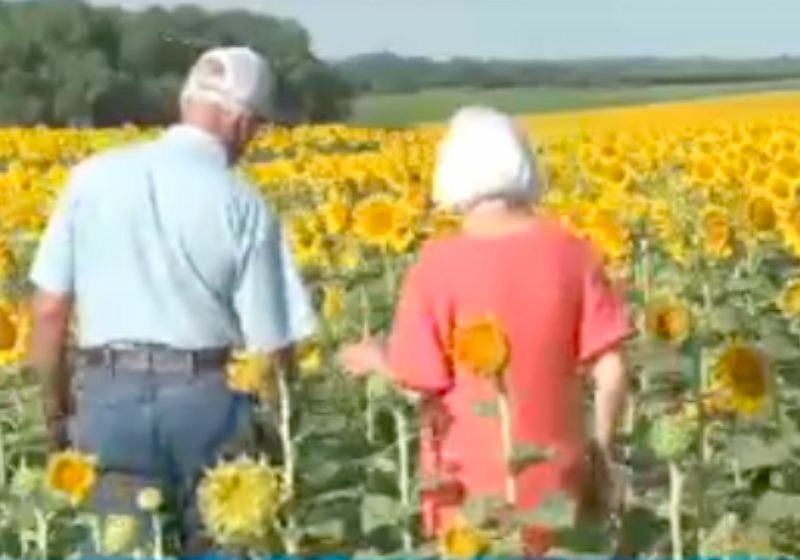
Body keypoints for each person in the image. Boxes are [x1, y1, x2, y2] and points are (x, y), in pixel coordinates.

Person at [26, 46, 316, 553]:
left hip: (108, 394)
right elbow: (270, 347)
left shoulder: (91, 178)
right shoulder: (242, 201)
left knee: (120, 544)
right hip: (207, 400)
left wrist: (57, 412)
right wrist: (280, 429)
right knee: (224, 532)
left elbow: (49, 312)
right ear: (243, 123)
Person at [340, 106, 632, 555]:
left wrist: (376, 357)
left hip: (468, 489)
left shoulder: (438, 265)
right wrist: (601, 449)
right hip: (559, 479)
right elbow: (611, 366)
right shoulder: (572, 250)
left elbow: (418, 381)